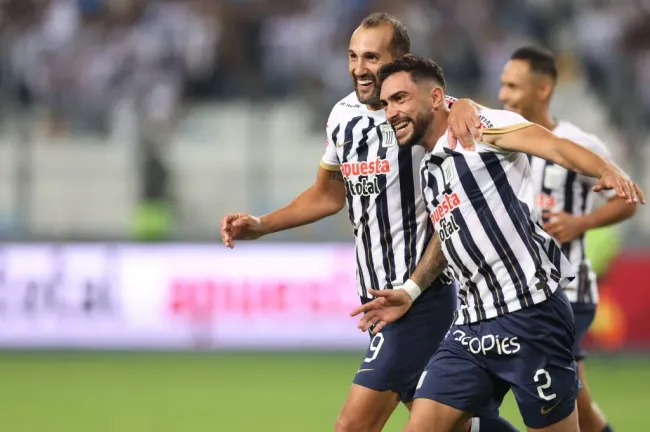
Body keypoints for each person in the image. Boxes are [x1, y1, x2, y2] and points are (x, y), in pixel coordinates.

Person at [220, 12, 517, 432]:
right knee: (455, 426)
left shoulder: (425, 113)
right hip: (379, 301)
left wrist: (467, 103)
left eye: (373, 57)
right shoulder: (343, 116)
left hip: (421, 297)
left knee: (352, 426)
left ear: (402, 60)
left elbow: (468, 131)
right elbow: (327, 194)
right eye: (353, 56)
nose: (359, 68)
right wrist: (262, 224)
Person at [352, 55, 644, 432]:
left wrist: (606, 168)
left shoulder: (482, 128)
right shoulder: (430, 169)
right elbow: (449, 237)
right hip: (470, 325)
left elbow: (552, 146)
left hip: (530, 315)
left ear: (436, 97)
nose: (391, 111)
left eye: (401, 98)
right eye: (387, 102)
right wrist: (410, 290)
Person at [499, 46, 637, 432]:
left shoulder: (580, 144)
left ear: (543, 91)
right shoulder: (502, 143)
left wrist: (581, 222)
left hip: (569, 291)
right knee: (576, 402)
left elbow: (628, 199)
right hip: (523, 294)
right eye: (502, 85)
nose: (503, 95)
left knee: (555, 400)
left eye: (512, 86)